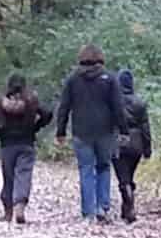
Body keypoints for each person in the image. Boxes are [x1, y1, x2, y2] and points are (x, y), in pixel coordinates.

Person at [54, 43, 127, 223]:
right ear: (101, 58)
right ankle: (103, 207)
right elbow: (118, 107)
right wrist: (123, 130)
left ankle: (89, 211)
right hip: (105, 131)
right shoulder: (110, 79)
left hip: (81, 132)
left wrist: (61, 131)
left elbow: (64, 107)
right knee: (104, 167)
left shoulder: (72, 79)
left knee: (86, 170)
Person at [0, 72, 53, 224]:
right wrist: (36, 127)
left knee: (8, 177)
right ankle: (20, 206)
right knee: (23, 174)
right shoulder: (31, 100)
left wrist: (0, 134)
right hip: (26, 143)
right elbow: (47, 114)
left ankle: (8, 212)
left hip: (7, 145)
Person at [112, 68, 152, 223]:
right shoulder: (140, 103)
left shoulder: (113, 102)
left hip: (118, 141)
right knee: (129, 176)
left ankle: (129, 206)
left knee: (123, 178)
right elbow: (145, 128)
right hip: (136, 144)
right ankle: (126, 207)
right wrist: (147, 148)